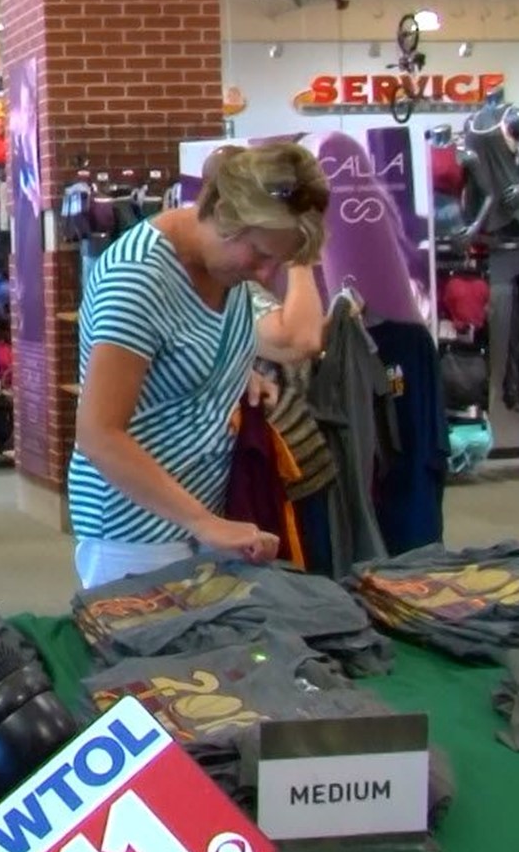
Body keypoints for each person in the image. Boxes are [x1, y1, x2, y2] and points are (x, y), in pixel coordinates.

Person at [68, 142, 331, 590]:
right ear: (224, 215)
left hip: (203, 514)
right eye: (261, 255)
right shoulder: (137, 278)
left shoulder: (227, 271)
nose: (267, 274)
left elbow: (289, 340)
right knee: (156, 659)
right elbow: (98, 434)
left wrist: (230, 375)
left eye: (278, 261)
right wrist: (204, 522)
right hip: (137, 531)